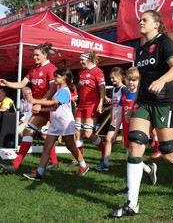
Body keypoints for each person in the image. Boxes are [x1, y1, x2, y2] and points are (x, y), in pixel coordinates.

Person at [109, 10, 173, 218]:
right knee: (135, 143)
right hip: (143, 103)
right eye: (139, 19)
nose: (140, 22)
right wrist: (135, 100)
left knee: (168, 151)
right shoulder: (140, 50)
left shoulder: (165, 42)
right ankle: (132, 204)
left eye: (145, 20)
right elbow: (142, 79)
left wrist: (162, 80)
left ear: (156, 24)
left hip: (165, 103)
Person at [0, 42, 58, 174]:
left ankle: (15, 165)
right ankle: (56, 162)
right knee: (45, 134)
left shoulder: (51, 68)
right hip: (39, 106)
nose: (34, 57)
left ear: (45, 55)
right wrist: (7, 83)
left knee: (29, 132)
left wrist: (40, 102)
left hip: (46, 106)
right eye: (33, 55)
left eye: (37, 55)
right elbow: (22, 84)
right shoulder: (33, 69)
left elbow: (53, 88)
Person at [22, 68, 89, 181]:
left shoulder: (64, 90)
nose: (54, 79)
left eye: (56, 77)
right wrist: (40, 110)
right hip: (55, 124)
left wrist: (36, 101)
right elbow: (54, 107)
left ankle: (83, 166)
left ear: (64, 78)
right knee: (46, 148)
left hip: (65, 123)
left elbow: (54, 102)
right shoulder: (60, 90)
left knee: (70, 146)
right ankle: (39, 173)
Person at [112, 67, 158, 195]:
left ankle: (130, 187)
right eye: (129, 80)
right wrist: (116, 132)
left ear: (139, 81)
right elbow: (121, 115)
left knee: (131, 158)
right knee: (130, 158)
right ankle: (148, 170)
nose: (131, 83)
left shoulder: (141, 96)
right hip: (126, 131)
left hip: (136, 131)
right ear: (125, 80)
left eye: (134, 80)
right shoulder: (125, 95)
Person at [70, 51, 106, 167]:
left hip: (92, 105)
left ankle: (104, 150)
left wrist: (101, 102)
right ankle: (78, 158)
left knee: (88, 133)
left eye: (82, 60)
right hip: (82, 105)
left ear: (89, 59)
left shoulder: (98, 71)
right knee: (77, 132)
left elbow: (102, 88)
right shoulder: (81, 72)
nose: (80, 62)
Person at [94, 67, 128, 172]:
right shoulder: (113, 89)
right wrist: (105, 109)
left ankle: (133, 163)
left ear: (120, 77)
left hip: (124, 119)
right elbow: (115, 105)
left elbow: (125, 105)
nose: (112, 80)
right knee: (108, 139)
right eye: (110, 78)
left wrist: (120, 118)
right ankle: (105, 163)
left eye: (113, 78)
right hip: (115, 120)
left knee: (128, 143)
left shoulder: (124, 89)